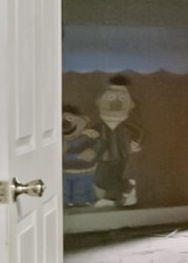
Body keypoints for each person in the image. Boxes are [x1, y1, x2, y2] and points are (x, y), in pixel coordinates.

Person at [92, 75, 142, 208]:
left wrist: (136, 142)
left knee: (114, 177)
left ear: (131, 104)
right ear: (99, 101)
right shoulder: (98, 127)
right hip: (102, 156)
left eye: (121, 97)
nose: (116, 102)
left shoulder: (126, 127)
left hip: (121, 154)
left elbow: (138, 132)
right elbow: (91, 134)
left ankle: (111, 198)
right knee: (100, 179)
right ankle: (128, 186)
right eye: (111, 97)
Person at [61, 105, 98, 207]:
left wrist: (93, 152)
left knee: (80, 193)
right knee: (65, 193)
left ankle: (80, 205)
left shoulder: (89, 137)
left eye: (70, 118)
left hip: (84, 173)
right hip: (65, 173)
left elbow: (99, 148)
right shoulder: (60, 142)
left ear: (84, 120)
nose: (65, 123)